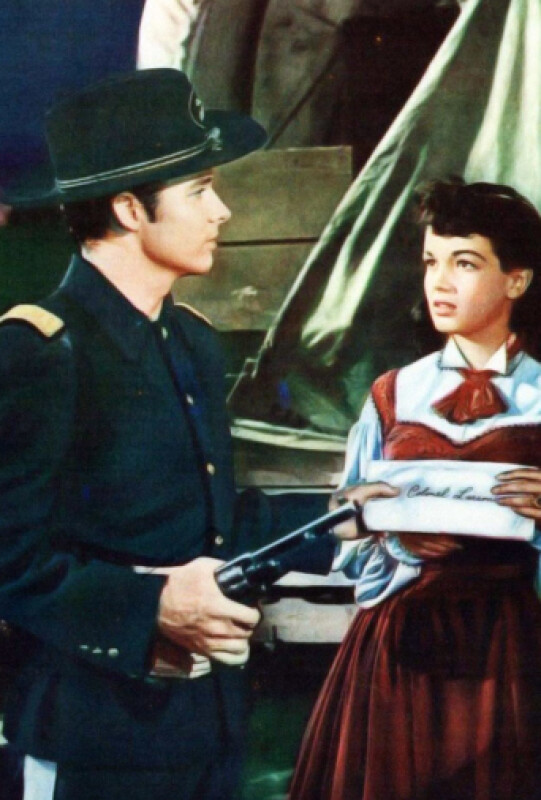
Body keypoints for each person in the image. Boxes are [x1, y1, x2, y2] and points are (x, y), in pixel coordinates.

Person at [0, 68, 338, 800]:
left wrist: (349, 517)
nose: (222, 210)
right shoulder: (40, 352)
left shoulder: (191, 341)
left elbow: (212, 523)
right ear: (129, 209)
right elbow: (9, 561)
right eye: (200, 189)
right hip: (92, 740)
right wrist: (148, 608)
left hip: (206, 731)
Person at [289, 178, 541, 800]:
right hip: (398, 644)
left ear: (517, 280)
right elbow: (344, 529)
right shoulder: (393, 392)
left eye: (465, 263)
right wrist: (368, 521)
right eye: (432, 262)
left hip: (509, 648)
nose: (440, 282)